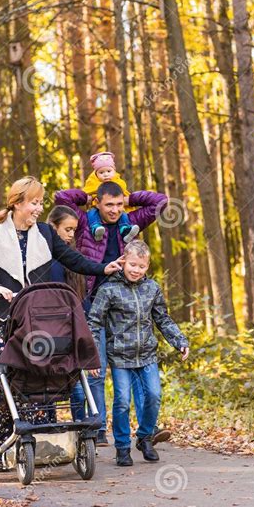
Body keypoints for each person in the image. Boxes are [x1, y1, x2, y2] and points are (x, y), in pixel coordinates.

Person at [0, 176, 123, 458]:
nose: (39, 208)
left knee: (38, 378)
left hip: (36, 318)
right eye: (34, 202)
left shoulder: (44, 233)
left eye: (41, 202)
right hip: (1, 318)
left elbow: (73, 259)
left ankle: (38, 443)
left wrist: (104, 269)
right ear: (17, 203)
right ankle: (0, 445)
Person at [55, 180, 170, 446]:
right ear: (98, 202)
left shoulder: (130, 220)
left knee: (138, 366)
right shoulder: (84, 222)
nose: (115, 209)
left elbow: (160, 201)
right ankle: (97, 428)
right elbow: (62, 198)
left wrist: (131, 196)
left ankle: (146, 430)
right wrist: (88, 194)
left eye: (119, 204)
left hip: (127, 306)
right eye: (109, 204)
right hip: (93, 301)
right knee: (97, 365)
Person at [87, 240, 190, 467]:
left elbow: (162, 318)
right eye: (132, 264)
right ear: (123, 261)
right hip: (120, 356)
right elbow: (94, 322)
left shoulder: (151, 288)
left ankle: (145, 437)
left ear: (147, 266)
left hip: (146, 355)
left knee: (153, 395)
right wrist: (93, 353)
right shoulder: (108, 289)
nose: (136, 270)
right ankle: (122, 447)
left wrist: (179, 341)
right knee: (122, 401)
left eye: (141, 266)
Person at [46, 204, 88, 421]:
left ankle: (81, 428)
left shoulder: (73, 257)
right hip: (48, 327)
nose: (71, 235)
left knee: (77, 384)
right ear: (52, 227)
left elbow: (83, 297)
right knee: (47, 383)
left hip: (73, 326)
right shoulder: (44, 258)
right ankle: (49, 426)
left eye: (74, 230)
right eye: (67, 229)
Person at [83, 151, 139, 243]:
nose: (105, 174)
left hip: (118, 212)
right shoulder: (93, 182)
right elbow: (86, 191)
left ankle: (125, 229)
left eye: (109, 171)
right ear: (96, 174)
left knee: (123, 214)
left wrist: (129, 200)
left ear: (114, 171)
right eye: (101, 172)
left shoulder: (118, 181)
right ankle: (96, 229)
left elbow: (123, 188)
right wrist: (88, 198)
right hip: (96, 207)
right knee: (92, 213)